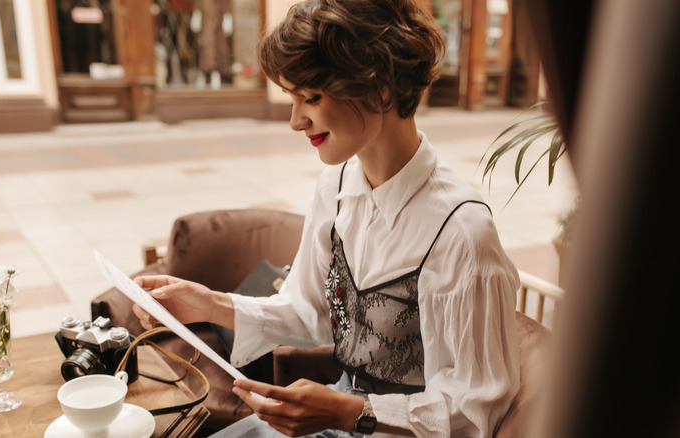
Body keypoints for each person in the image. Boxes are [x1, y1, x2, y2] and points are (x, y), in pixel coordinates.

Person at [132, 0, 520, 436]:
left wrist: (349, 412)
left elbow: (476, 410)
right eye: (292, 98)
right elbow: (308, 310)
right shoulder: (335, 186)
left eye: (310, 98)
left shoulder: (462, 233)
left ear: (380, 87)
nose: (296, 120)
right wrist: (209, 304)